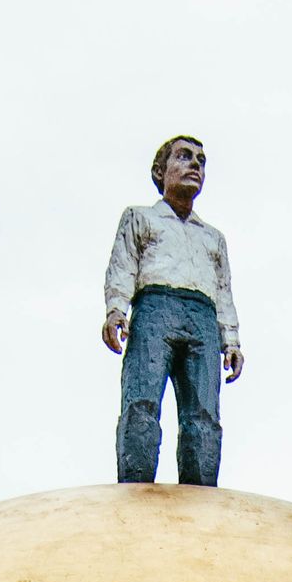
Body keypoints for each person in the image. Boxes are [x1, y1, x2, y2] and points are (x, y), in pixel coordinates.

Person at [102, 133, 242, 485]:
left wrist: (232, 340)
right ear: (160, 171)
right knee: (142, 402)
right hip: (155, 309)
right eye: (183, 157)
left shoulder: (213, 237)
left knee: (204, 414)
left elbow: (223, 290)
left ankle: (200, 495)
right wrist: (116, 309)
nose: (195, 164)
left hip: (203, 317)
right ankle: (135, 488)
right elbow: (124, 264)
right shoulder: (140, 218)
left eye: (201, 160)